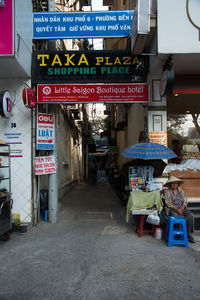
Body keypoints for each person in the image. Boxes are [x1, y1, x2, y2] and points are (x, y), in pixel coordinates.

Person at [163, 176, 195, 243]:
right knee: (177, 217)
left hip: (182, 207)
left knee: (190, 216)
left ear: (178, 184)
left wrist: (182, 207)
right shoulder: (167, 192)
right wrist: (177, 210)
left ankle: (188, 233)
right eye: (173, 183)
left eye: (176, 183)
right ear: (169, 185)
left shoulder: (181, 190)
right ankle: (176, 234)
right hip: (172, 208)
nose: (175, 184)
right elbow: (168, 203)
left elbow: (185, 200)